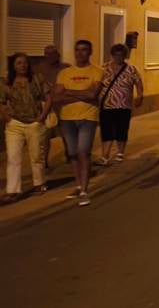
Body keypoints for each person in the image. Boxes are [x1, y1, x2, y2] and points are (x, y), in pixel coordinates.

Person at [52, 40, 103, 206]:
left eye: (84, 50)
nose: (80, 53)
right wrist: (82, 93)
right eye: (78, 50)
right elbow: (57, 97)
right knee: (73, 154)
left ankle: (84, 190)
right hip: (67, 118)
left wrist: (69, 92)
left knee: (83, 152)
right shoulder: (64, 73)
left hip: (87, 117)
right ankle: (78, 184)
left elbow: (93, 95)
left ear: (90, 52)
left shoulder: (97, 71)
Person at [1, 53, 51, 202]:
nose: (22, 66)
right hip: (15, 124)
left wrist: (41, 117)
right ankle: (13, 190)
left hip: (34, 122)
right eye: (19, 63)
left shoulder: (37, 79)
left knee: (36, 156)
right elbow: (2, 102)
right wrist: (7, 117)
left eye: (25, 63)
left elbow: (48, 98)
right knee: (13, 157)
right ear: (13, 66)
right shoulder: (6, 82)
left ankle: (39, 183)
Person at [96, 44, 143, 166]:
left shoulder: (131, 69)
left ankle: (120, 153)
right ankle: (105, 156)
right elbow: (98, 84)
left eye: (121, 55)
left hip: (124, 105)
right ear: (112, 55)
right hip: (107, 105)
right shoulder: (104, 68)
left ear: (124, 56)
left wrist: (139, 95)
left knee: (121, 129)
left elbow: (138, 82)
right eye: (116, 55)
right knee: (106, 131)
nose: (118, 57)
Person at [35, 45, 67, 169]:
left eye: (53, 53)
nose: (50, 56)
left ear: (58, 55)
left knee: (66, 133)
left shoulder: (65, 68)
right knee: (45, 135)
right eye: (47, 53)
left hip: (63, 104)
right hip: (46, 106)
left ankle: (70, 154)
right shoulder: (39, 69)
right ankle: (44, 161)